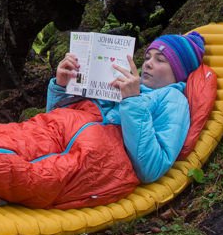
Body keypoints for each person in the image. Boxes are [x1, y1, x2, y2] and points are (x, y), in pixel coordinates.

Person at [47, 32, 204, 183]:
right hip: (62, 145)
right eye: (148, 57)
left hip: (89, 162)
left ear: (180, 71)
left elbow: (151, 169)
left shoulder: (173, 99)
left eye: (160, 60)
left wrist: (132, 100)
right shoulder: (127, 86)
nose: (148, 63)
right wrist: (61, 87)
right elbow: (56, 126)